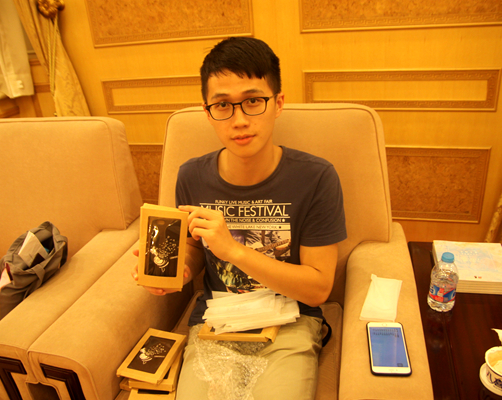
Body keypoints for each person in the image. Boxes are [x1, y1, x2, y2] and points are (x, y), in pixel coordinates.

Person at [133, 36, 347, 400]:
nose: (240, 120)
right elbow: (195, 247)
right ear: (207, 112)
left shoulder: (316, 178)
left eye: (253, 101)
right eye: (223, 105)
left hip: (291, 322)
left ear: (278, 103)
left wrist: (233, 250)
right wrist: (177, 269)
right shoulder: (191, 176)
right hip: (218, 322)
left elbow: (318, 288)